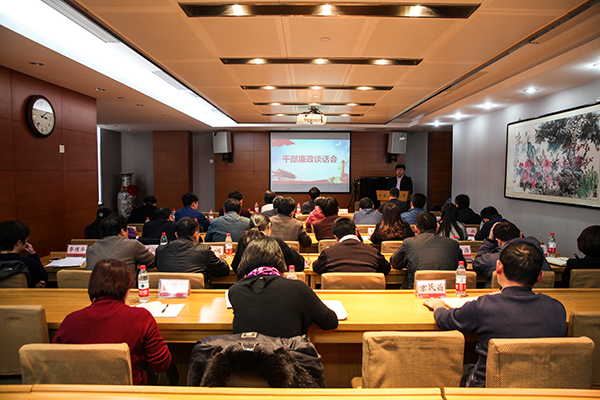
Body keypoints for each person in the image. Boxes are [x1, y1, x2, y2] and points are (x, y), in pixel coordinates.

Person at [425, 241, 567, 387]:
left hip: (489, 389)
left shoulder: (484, 306)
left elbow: (446, 321)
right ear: (540, 276)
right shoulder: (556, 308)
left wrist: (438, 306)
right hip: (541, 388)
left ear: (498, 267)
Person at [53, 259, 174, 385]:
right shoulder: (141, 317)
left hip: (82, 391)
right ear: (127, 287)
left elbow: (54, 363)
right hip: (130, 391)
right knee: (169, 373)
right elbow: (161, 364)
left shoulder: (70, 321)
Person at [228, 236, 338, 338]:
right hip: (285, 352)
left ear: (246, 260)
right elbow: (330, 322)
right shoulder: (298, 289)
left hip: (247, 352)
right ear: (280, 260)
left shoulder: (235, 291)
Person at [391, 211, 465, 289]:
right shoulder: (453, 244)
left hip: (416, 290)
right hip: (448, 291)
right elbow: (463, 266)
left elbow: (395, 262)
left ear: (416, 229)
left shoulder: (409, 243)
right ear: (437, 228)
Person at [156, 217, 230, 288]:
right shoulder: (203, 250)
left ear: (176, 235)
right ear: (195, 235)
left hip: (166, 294)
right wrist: (218, 257)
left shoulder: (160, 250)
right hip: (198, 293)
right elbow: (224, 270)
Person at [474, 221, 552, 288]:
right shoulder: (536, 251)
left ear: (498, 242)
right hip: (541, 295)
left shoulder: (498, 257)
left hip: (502, 297)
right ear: (520, 235)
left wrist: (489, 240)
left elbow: (477, 263)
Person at [231, 213, 305, 274]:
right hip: (274, 284)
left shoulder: (243, 240)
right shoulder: (276, 243)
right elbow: (299, 264)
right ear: (269, 226)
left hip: (248, 284)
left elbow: (236, 267)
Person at [312, 218, 390, 275]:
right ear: (356, 232)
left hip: (338, 292)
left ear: (336, 237)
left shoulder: (328, 253)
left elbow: (316, 267)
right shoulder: (373, 252)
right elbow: (386, 268)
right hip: (367, 292)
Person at [86, 214, 155, 274]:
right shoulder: (132, 245)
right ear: (122, 231)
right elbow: (151, 262)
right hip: (124, 284)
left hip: (96, 285)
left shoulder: (91, 249)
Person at [0, 220, 48, 288]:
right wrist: (33, 254)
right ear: (19, 242)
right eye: (26, 239)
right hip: (24, 295)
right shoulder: (29, 263)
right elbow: (44, 279)